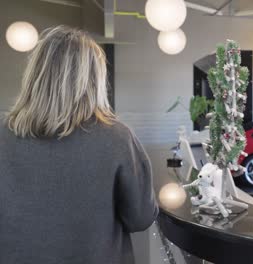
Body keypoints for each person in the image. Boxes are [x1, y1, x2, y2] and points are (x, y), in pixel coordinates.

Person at [0, 26, 158, 264]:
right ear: (94, 80)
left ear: (36, 74)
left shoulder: (4, 134)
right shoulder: (117, 138)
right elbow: (141, 218)